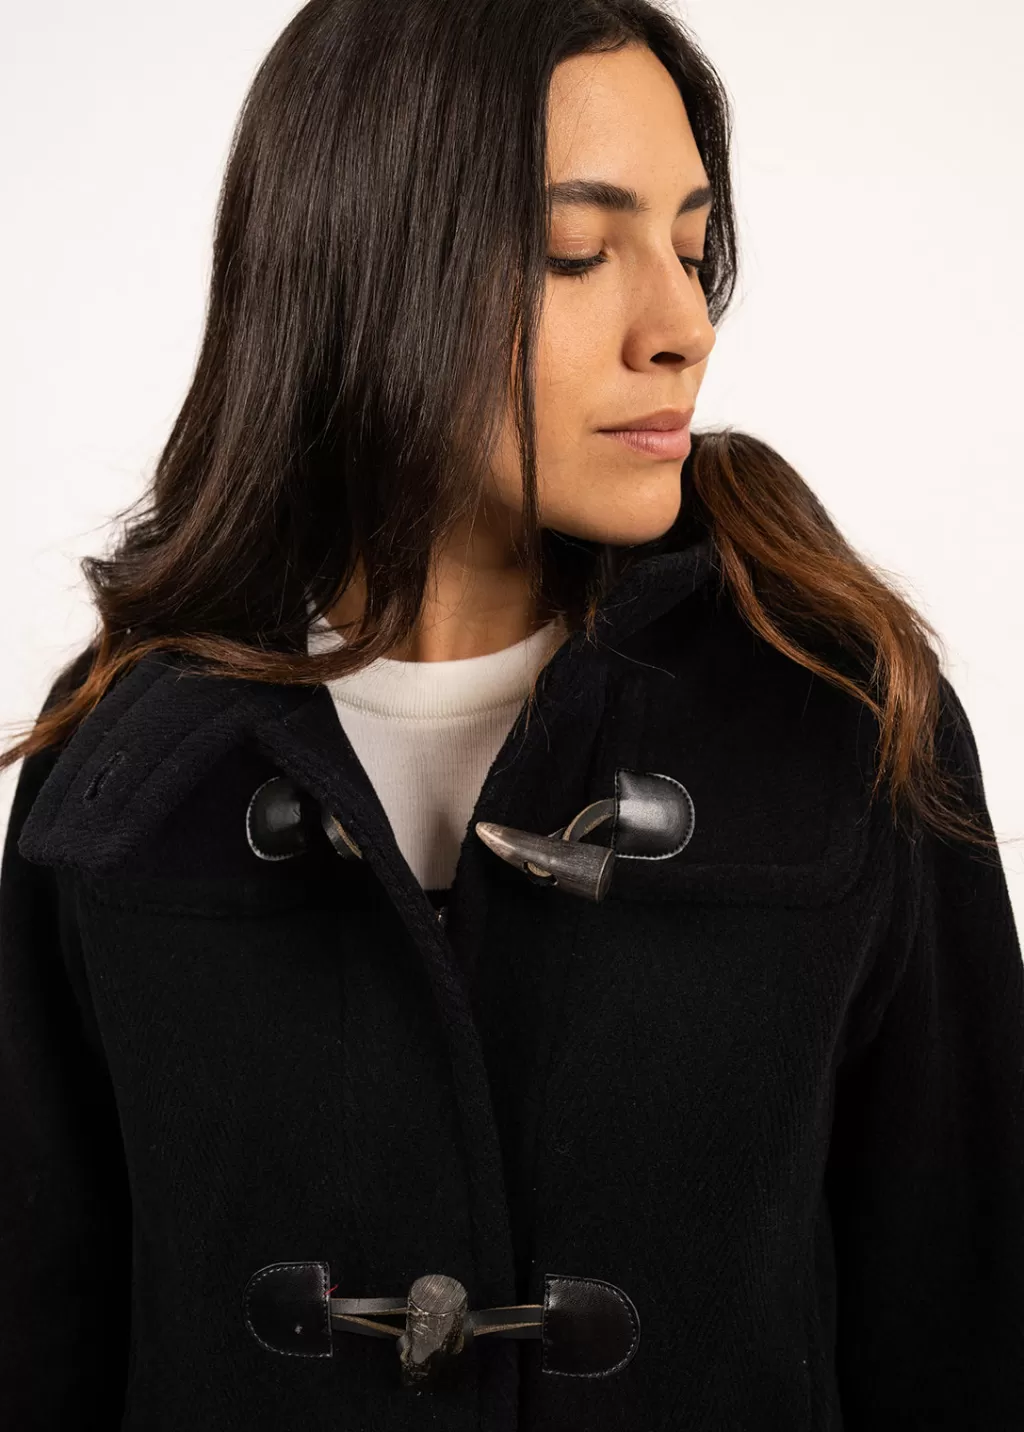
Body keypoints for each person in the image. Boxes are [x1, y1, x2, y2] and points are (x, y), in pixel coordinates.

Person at [2, 1, 1022, 1427]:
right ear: (363, 269)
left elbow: (970, 1333)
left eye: (691, 248)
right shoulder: (126, 759)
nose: (683, 329)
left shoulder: (845, 723)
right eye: (577, 251)